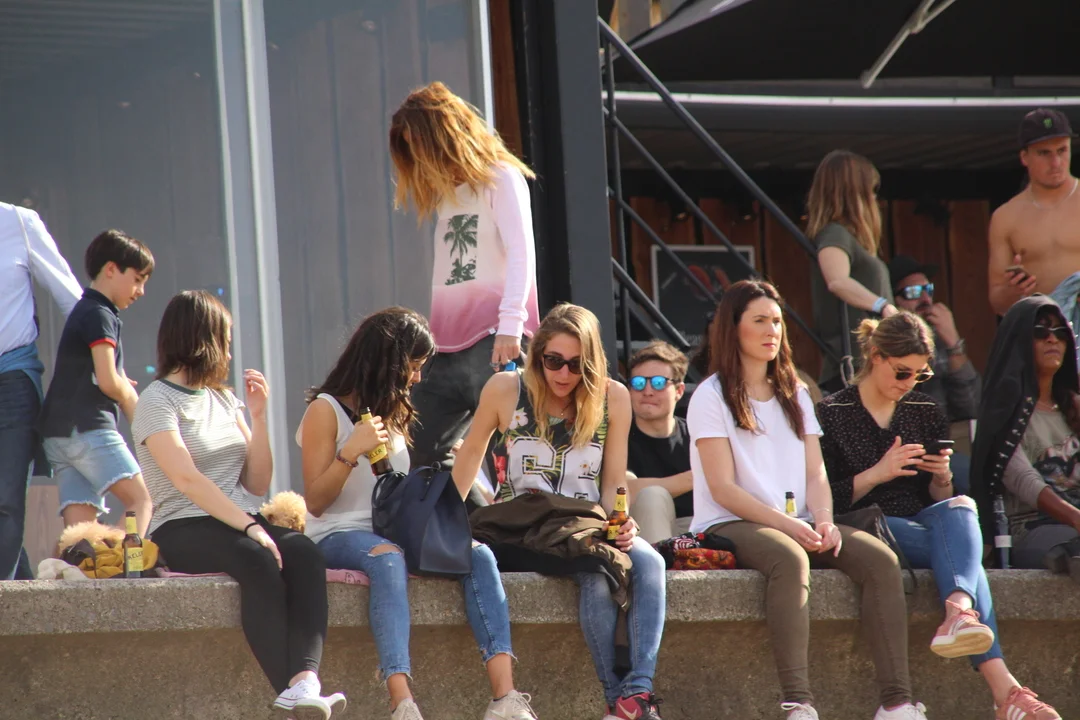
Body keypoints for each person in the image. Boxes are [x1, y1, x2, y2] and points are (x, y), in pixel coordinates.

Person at [688, 279, 923, 720]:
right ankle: (799, 704)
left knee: (881, 560)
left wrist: (825, 519)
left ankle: (897, 704)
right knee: (790, 557)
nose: (772, 330)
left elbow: (816, 472)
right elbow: (722, 489)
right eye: (760, 320)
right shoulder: (710, 395)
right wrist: (790, 526)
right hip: (729, 521)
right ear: (732, 328)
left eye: (777, 321)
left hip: (798, 520)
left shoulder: (794, 390)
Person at [296, 307, 537, 720]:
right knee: (387, 558)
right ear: (388, 362)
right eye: (413, 365)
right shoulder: (325, 409)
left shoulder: (392, 411)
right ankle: (401, 702)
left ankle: (505, 698)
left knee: (477, 553)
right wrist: (349, 452)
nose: (419, 377)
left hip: (392, 530)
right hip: (337, 533)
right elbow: (315, 501)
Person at [817, 312, 1059, 720]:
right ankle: (1004, 688)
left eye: (920, 374)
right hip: (864, 523)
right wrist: (878, 472)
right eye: (902, 372)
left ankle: (959, 613)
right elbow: (823, 499)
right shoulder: (832, 411)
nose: (909, 383)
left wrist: (942, 478)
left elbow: (936, 499)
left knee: (961, 506)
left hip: (921, 520)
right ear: (875, 356)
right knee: (968, 564)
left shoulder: (923, 408)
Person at [132, 290, 345, 719]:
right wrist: (251, 527)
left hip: (235, 520)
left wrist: (259, 418)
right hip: (182, 524)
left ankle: (306, 681)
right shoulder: (155, 401)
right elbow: (186, 478)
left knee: (304, 552)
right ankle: (290, 689)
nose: (229, 352)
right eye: (225, 340)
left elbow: (256, 481)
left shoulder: (224, 399)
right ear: (203, 339)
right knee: (256, 558)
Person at [453, 303, 666, 720]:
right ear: (538, 356)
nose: (564, 374)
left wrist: (621, 519)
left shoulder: (613, 397)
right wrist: (442, 525)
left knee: (651, 562)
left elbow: (613, 480)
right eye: (554, 361)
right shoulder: (506, 388)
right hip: (521, 524)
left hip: (585, 524)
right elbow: (470, 455)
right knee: (596, 574)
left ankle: (637, 692)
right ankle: (616, 699)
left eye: (576, 364)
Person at [390, 81, 540, 473]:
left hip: (494, 339)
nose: (417, 155)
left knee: (509, 460)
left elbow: (522, 252)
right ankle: (468, 514)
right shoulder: (448, 193)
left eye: (418, 143)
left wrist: (511, 326)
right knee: (419, 455)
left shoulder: (501, 177)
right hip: (444, 348)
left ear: (442, 135)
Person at [38, 230, 154, 536]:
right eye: (137, 279)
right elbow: (108, 381)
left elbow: (98, 374)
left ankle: (73, 564)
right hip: (87, 429)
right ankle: (123, 564)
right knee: (141, 501)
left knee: (81, 534)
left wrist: (117, 380)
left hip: (58, 435)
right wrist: (131, 399)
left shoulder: (84, 310)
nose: (141, 291)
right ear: (111, 269)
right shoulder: (101, 314)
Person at [0, 201, 82, 580]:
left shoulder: (17, 221)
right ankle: (21, 597)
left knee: (6, 502)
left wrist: (103, 367)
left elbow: (73, 300)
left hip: (12, 379)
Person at [971, 296, 1080, 575]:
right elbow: (1023, 480)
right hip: (1031, 527)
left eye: (1060, 332)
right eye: (1041, 331)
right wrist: (1076, 518)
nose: (1052, 339)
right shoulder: (1004, 412)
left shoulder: (1074, 406)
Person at [887, 254, 979, 493]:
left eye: (928, 290)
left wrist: (954, 343)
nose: (926, 300)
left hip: (937, 451)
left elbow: (971, 407)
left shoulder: (938, 342)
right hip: (893, 452)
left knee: (978, 476)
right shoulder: (882, 348)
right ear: (892, 301)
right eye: (913, 292)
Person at [808, 150, 896, 394]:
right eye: (871, 190)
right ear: (855, 193)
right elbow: (837, 280)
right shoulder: (835, 233)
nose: (875, 199)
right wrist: (883, 306)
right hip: (854, 367)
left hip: (872, 363)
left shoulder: (847, 237)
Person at [988, 109, 1079, 323]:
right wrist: (1013, 291)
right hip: (1043, 330)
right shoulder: (1006, 217)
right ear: (1024, 157)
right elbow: (997, 303)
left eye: (1062, 150)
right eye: (1044, 153)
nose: (1056, 162)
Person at [624, 341, 693, 544]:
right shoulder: (619, 434)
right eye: (638, 383)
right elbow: (625, 489)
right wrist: (697, 477)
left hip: (696, 529)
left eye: (658, 383)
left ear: (679, 391)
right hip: (640, 532)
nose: (647, 391)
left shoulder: (698, 436)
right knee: (652, 496)